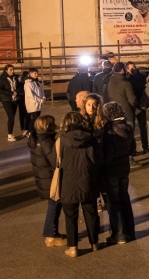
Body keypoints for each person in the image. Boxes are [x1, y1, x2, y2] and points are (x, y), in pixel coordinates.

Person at [58, 112, 102, 258]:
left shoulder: (61, 140)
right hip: (88, 179)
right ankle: (94, 242)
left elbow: (55, 160)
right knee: (91, 212)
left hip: (68, 182)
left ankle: (73, 247)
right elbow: (98, 158)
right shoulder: (91, 139)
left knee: (70, 216)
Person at [100, 102, 136, 245]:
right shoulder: (128, 128)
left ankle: (119, 234)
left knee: (113, 201)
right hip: (124, 167)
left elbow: (108, 155)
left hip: (111, 169)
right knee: (124, 199)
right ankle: (130, 231)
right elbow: (132, 148)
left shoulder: (110, 131)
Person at [28, 115, 66, 247]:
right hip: (50, 177)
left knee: (53, 205)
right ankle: (51, 235)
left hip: (42, 177)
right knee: (54, 205)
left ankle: (51, 233)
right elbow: (54, 159)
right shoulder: (46, 140)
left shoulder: (35, 138)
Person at [105, 62, 137, 134]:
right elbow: (132, 100)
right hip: (127, 113)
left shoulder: (110, 83)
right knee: (129, 136)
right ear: (122, 70)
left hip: (114, 113)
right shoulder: (126, 83)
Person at [126, 62, 149, 155]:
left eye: (134, 67)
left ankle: (145, 147)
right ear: (127, 69)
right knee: (131, 129)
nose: (134, 70)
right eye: (131, 68)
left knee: (143, 127)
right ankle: (132, 150)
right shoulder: (126, 79)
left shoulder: (142, 77)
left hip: (140, 105)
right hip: (131, 106)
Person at [1, 64, 22, 141]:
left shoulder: (15, 77)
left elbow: (19, 86)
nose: (12, 71)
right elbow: (1, 90)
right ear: (6, 70)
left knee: (12, 117)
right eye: (10, 70)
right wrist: (11, 93)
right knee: (11, 117)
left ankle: (11, 133)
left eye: (13, 70)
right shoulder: (2, 78)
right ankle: (9, 135)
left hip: (15, 99)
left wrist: (16, 91)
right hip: (6, 99)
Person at [24, 68, 44, 134]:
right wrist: (40, 100)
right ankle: (30, 132)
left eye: (37, 73)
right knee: (34, 119)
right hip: (32, 104)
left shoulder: (38, 83)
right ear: (30, 74)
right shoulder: (28, 83)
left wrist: (43, 98)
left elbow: (41, 91)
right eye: (35, 73)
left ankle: (34, 132)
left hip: (38, 104)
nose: (36, 74)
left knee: (37, 118)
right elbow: (30, 95)